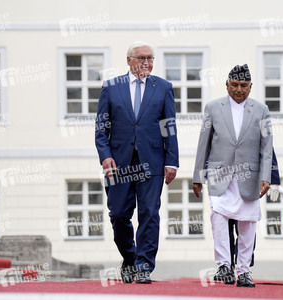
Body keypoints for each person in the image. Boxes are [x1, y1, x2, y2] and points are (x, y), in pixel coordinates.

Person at [95, 41, 179, 284]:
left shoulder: (163, 88)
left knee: (149, 213)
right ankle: (130, 258)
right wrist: (105, 155)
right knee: (119, 214)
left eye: (150, 58)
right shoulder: (111, 88)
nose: (146, 62)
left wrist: (172, 160)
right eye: (141, 58)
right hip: (118, 163)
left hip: (152, 161)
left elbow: (168, 126)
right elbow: (102, 127)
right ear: (129, 60)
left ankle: (144, 266)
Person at [192, 64, 272, 287]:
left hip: (250, 176)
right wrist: (198, 176)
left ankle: (244, 270)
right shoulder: (212, 108)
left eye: (244, 86)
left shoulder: (261, 110)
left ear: (250, 87)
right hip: (219, 174)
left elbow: (267, 147)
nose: (239, 89)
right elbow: (203, 144)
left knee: (248, 223)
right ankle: (224, 266)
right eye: (234, 85)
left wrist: (267, 176)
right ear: (226, 85)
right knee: (218, 217)